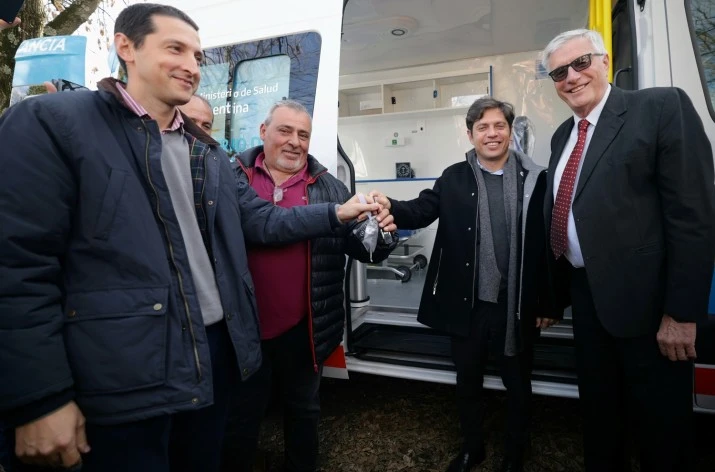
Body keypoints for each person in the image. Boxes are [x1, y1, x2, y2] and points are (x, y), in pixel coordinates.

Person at [0, 4, 393, 472]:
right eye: (175, 48)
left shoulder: (206, 154)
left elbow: (265, 222)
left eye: (197, 54)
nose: (191, 64)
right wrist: (41, 396)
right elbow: (17, 266)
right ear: (125, 46)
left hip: (215, 359)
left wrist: (340, 212)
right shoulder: (56, 124)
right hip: (124, 376)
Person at [541, 29, 715, 471]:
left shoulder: (659, 107)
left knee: (662, 430)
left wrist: (681, 313)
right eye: (559, 72)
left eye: (580, 63)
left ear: (602, 61)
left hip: (650, 308)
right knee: (600, 419)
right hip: (588, 299)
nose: (572, 77)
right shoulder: (563, 134)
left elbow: (692, 216)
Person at [370, 97, 557, 472]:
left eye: (499, 126)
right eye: (483, 127)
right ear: (470, 134)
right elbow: (422, 209)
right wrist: (388, 203)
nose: (492, 134)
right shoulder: (454, 177)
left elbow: (547, 244)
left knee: (518, 386)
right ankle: (473, 447)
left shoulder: (536, 178)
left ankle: (515, 453)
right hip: (468, 304)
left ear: (509, 130)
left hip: (515, 304)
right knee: (467, 382)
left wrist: (548, 303)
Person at [221, 99, 397, 472]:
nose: (294, 142)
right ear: (263, 131)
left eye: (303, 134)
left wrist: (382, 235)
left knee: (303, 411)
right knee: (241, 416)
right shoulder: (233, 177)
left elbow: (363, 249)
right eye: (285, 131)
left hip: (305, 329)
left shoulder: (329, 187)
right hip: (242, 330)